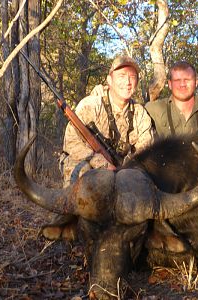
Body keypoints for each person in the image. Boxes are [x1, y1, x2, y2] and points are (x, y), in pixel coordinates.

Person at [41, 55, 154, 240]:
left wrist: (124, 171)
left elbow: (146, 148)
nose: (127, 82)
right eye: (122, 76)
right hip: (89, 163)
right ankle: (63, 223)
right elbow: (71, 142)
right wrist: (101, 163)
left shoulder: (140, 113)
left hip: (124, 168)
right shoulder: (90, 105)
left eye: (132, 77)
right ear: (109, 80)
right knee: (82, 172)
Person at [145, 61, 198, 139]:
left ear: (196, 82)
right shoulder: (152, 110)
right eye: (177, 80)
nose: (182, 84)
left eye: (187, 80)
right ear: (170, 84)